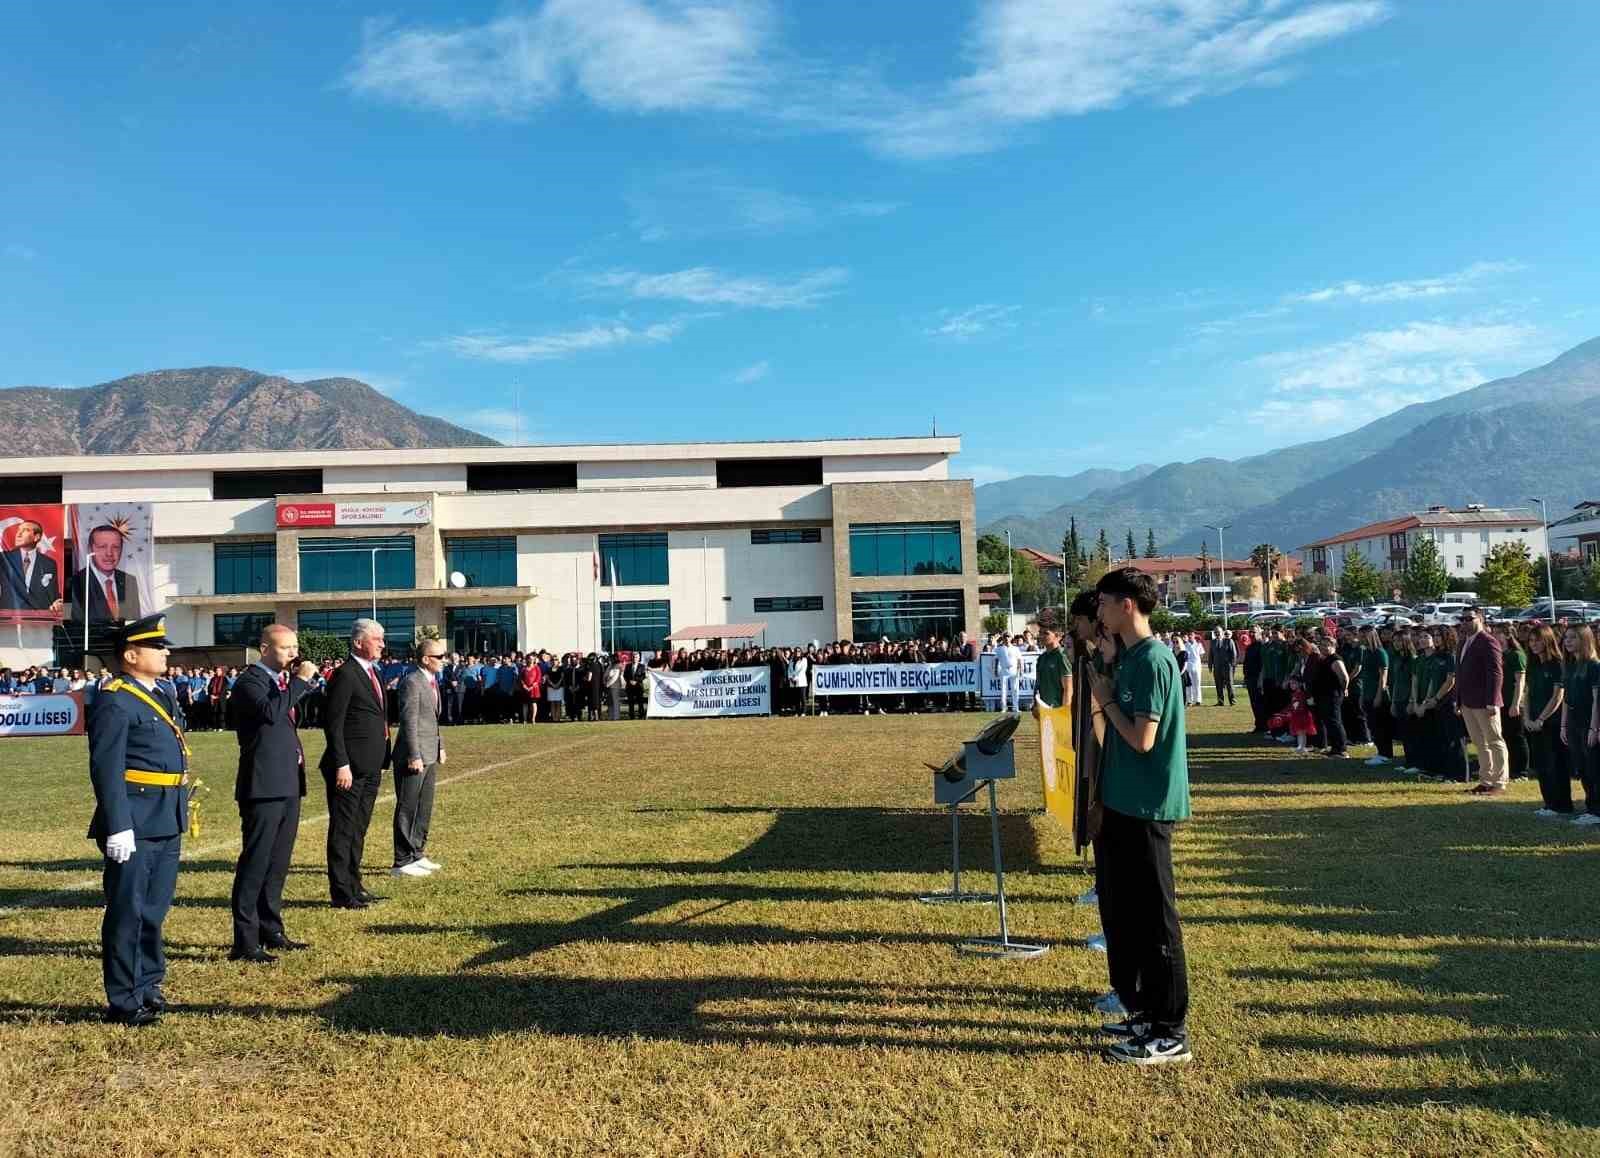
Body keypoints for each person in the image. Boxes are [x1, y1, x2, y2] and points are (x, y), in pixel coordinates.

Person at [1086, 568, 1192, 1066]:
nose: (1099, 613)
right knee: (1126, 916)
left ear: (1128, 605)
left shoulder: (1153, 660)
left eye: (1105, 603)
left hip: (1148, 807)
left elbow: (1143, 739)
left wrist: (1104, 697)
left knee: (1156, 920)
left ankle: (1170, 1029)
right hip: (1123, 802)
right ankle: (1145, 1012)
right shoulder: (1129, 658)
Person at [85, 613, 188, 1026]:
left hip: (166, 813)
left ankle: (148, 983)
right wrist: (118, 823)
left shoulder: (160, 693)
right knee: (127, 910)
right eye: (156, 647)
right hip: (136, 817)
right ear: (131, 654)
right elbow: (106, 767)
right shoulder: (115, 697)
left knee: (154, 909)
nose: (165, 653)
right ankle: (124, 999)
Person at [228, 624, 315, 963]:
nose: (294, 654)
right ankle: (245, 940)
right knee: (256, 862)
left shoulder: (280, 683)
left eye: (295, 647)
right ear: (265, 649)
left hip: (287, 783)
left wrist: (295, 685)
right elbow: (270, 713)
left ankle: (271, 928)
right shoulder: (250, 681)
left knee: (277, 863)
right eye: (285, 648)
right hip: (262, 786)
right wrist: (300, 683)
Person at [320, 618, 392, 909]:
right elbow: (333, 724)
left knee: (358, 828)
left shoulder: (373, 673)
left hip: (370, 766)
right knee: (343, 829)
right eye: (377, 639)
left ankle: (354, 884)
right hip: (348, 768)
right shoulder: (345, 674)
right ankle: (341, 892)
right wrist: (341, 763)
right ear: (358, 642)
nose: (382, 645)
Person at [392, 639, 446, 877]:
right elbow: (409, 720)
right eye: (439, 657)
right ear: (425, 659)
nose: (443, 661)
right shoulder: (412, 682)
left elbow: (432, 719)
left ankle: (417, 852)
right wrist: (413, 754)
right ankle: (402, 860)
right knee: (408, 806)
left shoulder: (431, 681)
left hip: (429, 752)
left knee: (424, 806)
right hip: (413, 755)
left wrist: (439, 746)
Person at [1455, 607, 1508, 795]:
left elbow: (1495, 673)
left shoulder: (1488, 641)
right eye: (1462, 619)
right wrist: (1458, 699)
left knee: (1494, 741)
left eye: (1469, 618)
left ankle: (1499, 782)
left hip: (1485, 702)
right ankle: (1486, 780)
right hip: (1467, 702)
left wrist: (1492, 700)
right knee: (1479, 743)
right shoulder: (1463, 642)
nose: (1464, 622)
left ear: (1480, 619)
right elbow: (1459, 674)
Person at [1524, 625, 1570, 816]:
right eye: (1531, 641)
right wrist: (1527, 717)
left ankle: (1562, 805)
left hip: (1551, 722)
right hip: (1533, 721)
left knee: (1555, 764)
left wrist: (1542, 718)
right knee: (1542, 765)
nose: (1534, 645)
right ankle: (1549, 803)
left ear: (1548, 640)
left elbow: (1557, 696)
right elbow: (1527, 693)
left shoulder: (1557, 663)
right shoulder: (1533, 664)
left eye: (1538, 640)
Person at [1559, 625, 1600, 826]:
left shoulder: (1593, 666)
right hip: (1573, 722)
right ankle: (1590, 807)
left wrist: (1594, 728)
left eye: (1573, 638)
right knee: (1582, 767)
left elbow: (1596, 700)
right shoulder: (1570, 666)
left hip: (1588, 722)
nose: (1567, 641)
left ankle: (1596, 810)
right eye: (1566, 637)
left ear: (1584, 640)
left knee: (1594, 768)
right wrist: (1563, 726)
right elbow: (1566, 699)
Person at [68, 523, 144, 622]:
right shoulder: (76, 583)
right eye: (102, 547)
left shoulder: (129, 581)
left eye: (116, 547)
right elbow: (76, 626)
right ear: (90, 549)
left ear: (121, 550)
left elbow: (134, 621)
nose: (109, 553)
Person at [0, 517, 64, 613]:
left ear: (36, 537)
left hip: (38, 619)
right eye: (18, 530)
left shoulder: (49, 563)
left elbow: (53, 594)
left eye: (25, 530)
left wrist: (58, 603)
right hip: (9, 618)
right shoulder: (3, 559)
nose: (18, 534)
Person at [1493, 622, 1529, 780]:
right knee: (1505, 735)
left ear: (1508, 635)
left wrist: (1516, 704)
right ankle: (1509, 768)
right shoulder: (1500, 654)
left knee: (1517, 737)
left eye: (1498, 633)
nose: (1495, 636)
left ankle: (1521, 771)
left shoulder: (1516, 654)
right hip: (1500, 701)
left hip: (1513, 702)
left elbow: (1520, 681)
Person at [1358, 627, 1392, 766]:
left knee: (1381, 726)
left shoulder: (1380, 652)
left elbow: (1383, 676)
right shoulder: (1366, 652)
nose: (1360, 638)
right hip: (1367, 693)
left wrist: (1379, 695)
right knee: (1372, 725)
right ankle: (1380, 752)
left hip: (1377, 695)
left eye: (1363, 636)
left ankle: (1386, 754)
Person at [1209, 628, 1236, 707]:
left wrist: (1232, 665)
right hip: (1217, 667)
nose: (1217, 634)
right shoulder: (1212, 642)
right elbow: (1211, 655)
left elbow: (1234, 654)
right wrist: (1210, 665)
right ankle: (1220, 701)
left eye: (1219, 632)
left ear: (1222, 632)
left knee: (1229, 684)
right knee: (1218, 685)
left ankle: (1232, 701)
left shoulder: (1229, 641)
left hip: (1227, 667)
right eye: (1215, 632)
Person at [996, 635, 1022, 713]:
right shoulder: (999, 649)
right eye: (1005, 637)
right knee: (1003, 690)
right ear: (1003, 638)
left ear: (1011, 638)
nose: (1007, 638)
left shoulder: (1015, 648)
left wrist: (1020, 670)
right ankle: (1004, 707)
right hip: (1004, 671)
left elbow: (1019, 659)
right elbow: (996, 659)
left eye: (1008, 637)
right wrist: (995, 670)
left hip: (1014, 671)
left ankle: (1015, 707)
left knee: (1015, 689)